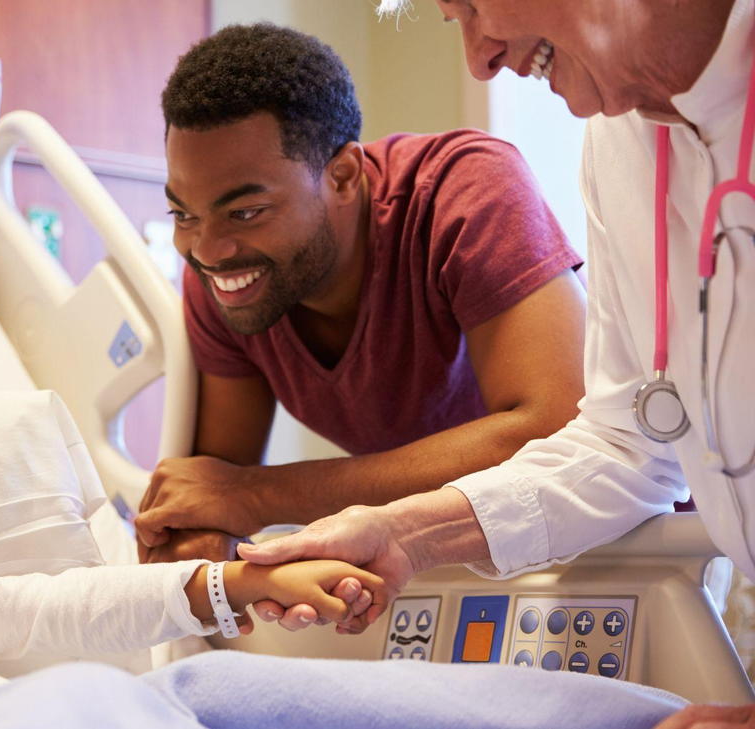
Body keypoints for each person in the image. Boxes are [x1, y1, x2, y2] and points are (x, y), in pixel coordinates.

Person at [0, 302, 697, 729]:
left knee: (206, 687)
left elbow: (54, 607)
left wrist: (238, 584)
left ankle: (643, 720)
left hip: (65, 709)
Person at [235, 1, 755, 726]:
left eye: (474, 4)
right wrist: (403, 534)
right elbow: (626, 443)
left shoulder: (467, 188)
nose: (480, 59)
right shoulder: (621, 146)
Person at [134, 23, 588, 573]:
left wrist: (261, 495)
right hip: (436, 565)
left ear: (344, 176)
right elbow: (218, 490)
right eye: (183, 214)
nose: (206, 250)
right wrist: (200, 535)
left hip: (615, 547)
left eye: (245, 212)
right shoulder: (227, 282)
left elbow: (557, 431)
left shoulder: (463, 193)